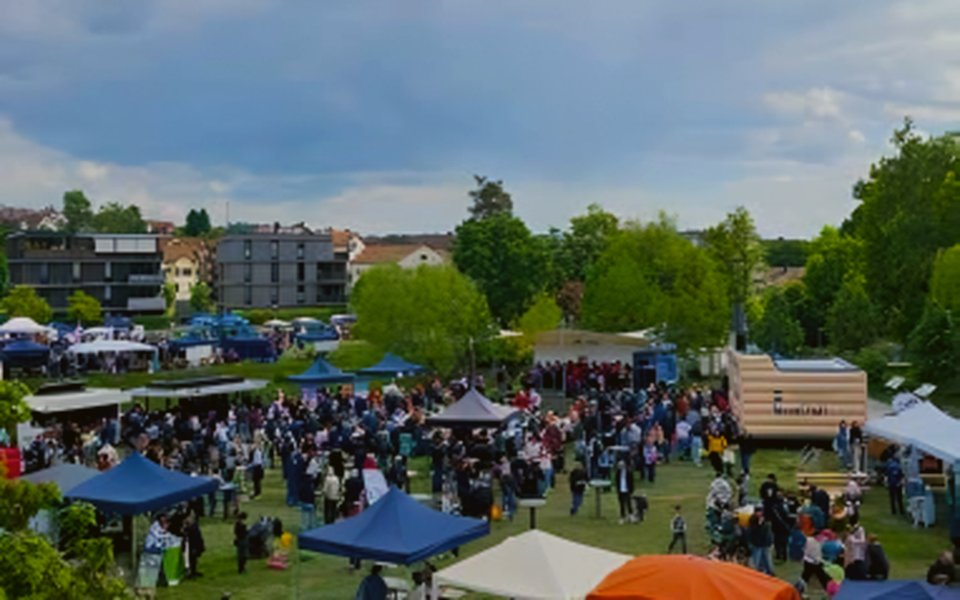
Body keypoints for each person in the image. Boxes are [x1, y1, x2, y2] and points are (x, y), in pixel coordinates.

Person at [748, 509, 774, 575]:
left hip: (765, 543)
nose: (759, 513)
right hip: (757, 543)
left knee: (767, 559)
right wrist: (759, 524)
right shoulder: (752, 520)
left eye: (760, 511)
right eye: (757, 512)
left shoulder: (766, 520)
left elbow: (768, 533)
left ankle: (769, 571)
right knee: (757, 560)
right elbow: (754, 531)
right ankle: (758, 572)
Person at [615, 459, 634, 524]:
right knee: (621, 504)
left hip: (627, 489)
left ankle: (631, 516)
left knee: (628, 503)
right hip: (620, 490)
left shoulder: (629, 472)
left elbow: (631, 482)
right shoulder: (618, 472)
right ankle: (622, 517)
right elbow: (617, 481)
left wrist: (631, 490)